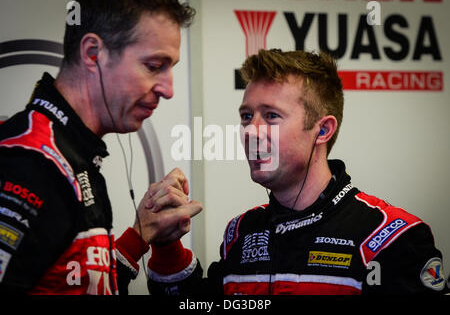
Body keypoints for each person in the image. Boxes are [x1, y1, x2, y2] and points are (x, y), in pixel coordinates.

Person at [145, 49, 448, 295]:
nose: (251, 130)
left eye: (272, 116)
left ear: (323, 129)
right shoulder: (241, 232)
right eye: (246, 116)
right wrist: (166, 245)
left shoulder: (390, 236)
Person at [0, 0, 202, 295]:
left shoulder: (72, 154)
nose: (168, 89)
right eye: (154, 66)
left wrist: (140, 234)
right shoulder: (31, 161)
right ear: (93, 53)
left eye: (170, 68)